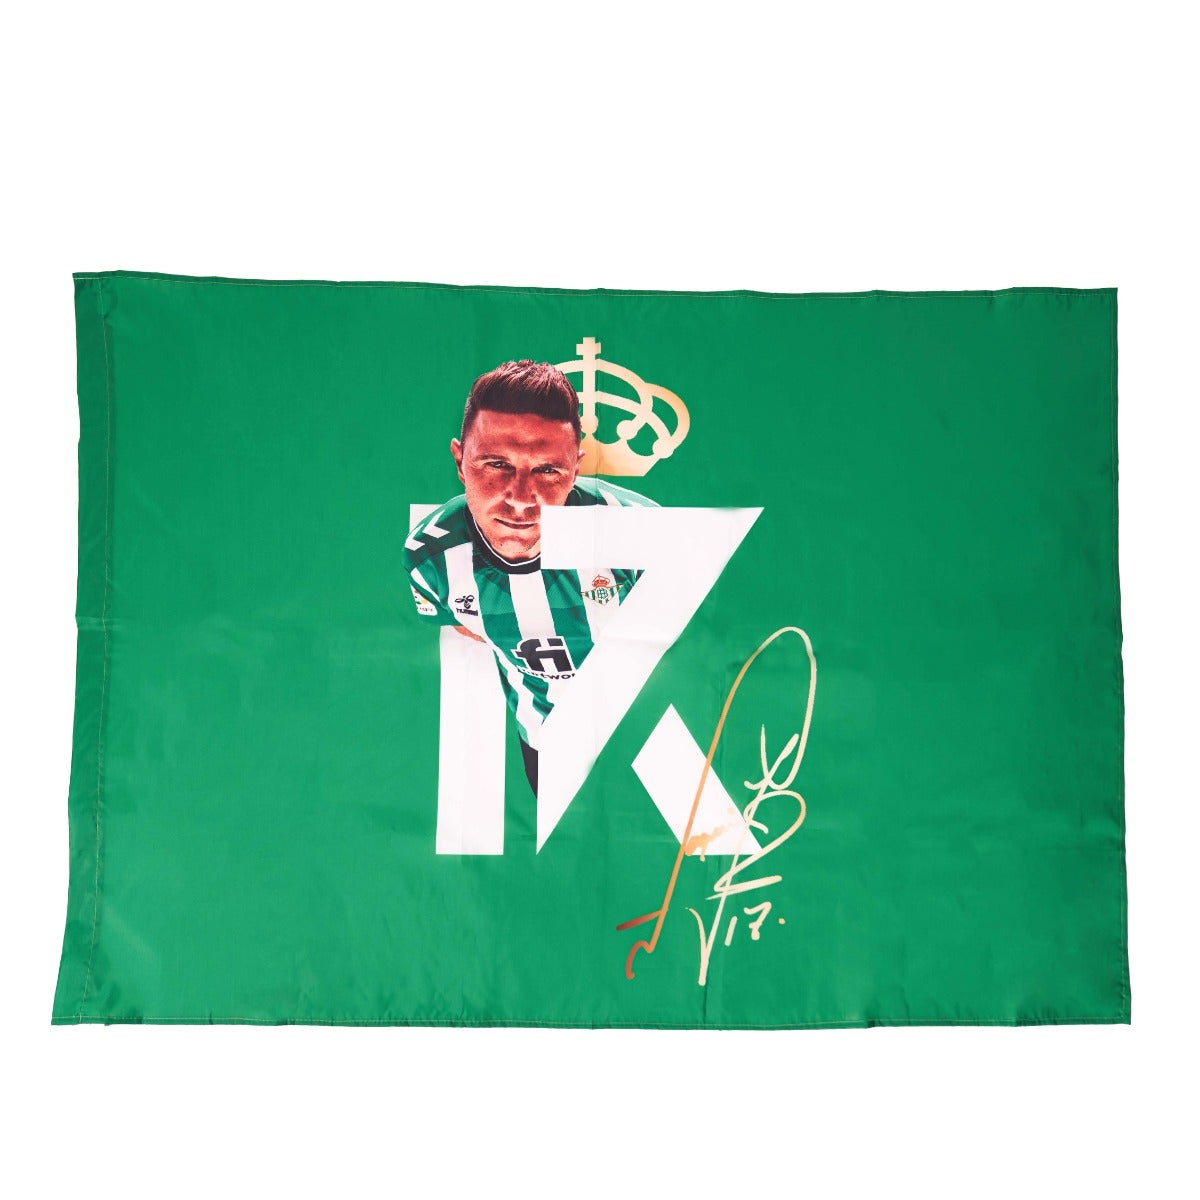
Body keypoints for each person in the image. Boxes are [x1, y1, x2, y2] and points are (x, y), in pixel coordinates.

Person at [403, 359, 657, 794]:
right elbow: (464, 626)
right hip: (545, 740)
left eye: (547, 470)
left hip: (648, 732)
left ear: (575, 469)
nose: (521, 499)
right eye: (496, 464)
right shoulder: (431, 558)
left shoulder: (639, 534)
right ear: (460, 461)